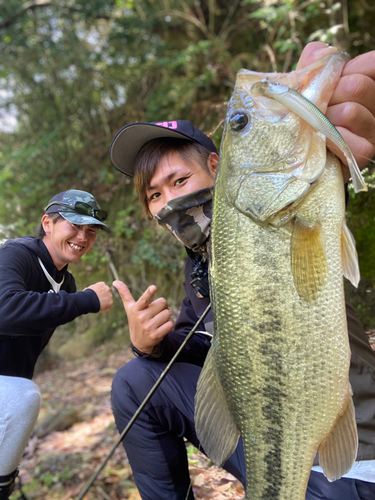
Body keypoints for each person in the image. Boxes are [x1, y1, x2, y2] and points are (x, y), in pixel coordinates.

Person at [109, 42, 375, 500]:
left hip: (349, 460)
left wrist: (344, 151)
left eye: (178, 180)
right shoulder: (202, 266)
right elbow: (197, 346)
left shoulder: (286, 208)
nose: (168, 201)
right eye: (154, 195)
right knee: (135, 381)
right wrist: (147, 343)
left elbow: (319, 193)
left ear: (218, 166)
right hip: (273, 449)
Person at [0, 189, 114, 499]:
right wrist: (87, 300)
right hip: (10, 390)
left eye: (91, 230)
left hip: (9, 388)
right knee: (25, 397)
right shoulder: (16, 254)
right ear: (47, 223)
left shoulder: (68, 283)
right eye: (74, 225)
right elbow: (5, 311)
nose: (83, 236)